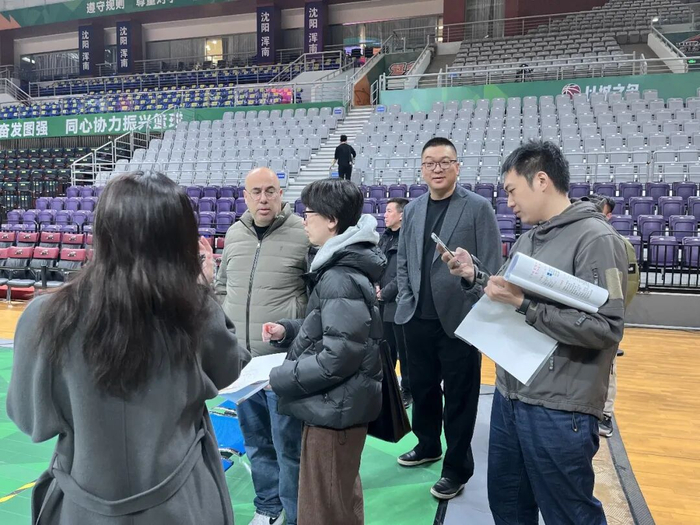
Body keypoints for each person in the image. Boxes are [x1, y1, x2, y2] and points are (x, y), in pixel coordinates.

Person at [7, 172, 250, 525]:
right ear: (181, 238)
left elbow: (31, 419)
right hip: (182, 503)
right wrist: (201, 288)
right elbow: (228, 369)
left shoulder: (45, 315)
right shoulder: (197, 311)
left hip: (82, 506)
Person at [442, 141, 628, 524]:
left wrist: (525, 305)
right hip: (511, 395)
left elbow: (607, 328)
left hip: (560, 407)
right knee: (507, 505)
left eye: (512, 191)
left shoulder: (596, 239)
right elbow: (508, 297)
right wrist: (476, 276)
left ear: (541, 180)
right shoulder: (529, 238)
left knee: (568, 514)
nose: (509, 202)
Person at [264, 178, 385, 525]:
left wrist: (280, 377)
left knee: (324, 510)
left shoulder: (339, 275)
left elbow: (338, 357)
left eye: (309, 213)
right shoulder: (342, 268)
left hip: (334, 411)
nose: (304, 221)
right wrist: (289, 330)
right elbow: (335, 328)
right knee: (341, 502)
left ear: (331, 220)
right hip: (339, 407)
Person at [394, 137, 502, 500]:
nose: (437, 169)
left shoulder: (477, 208)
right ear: (422, 169)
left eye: (444, 162)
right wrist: (406, 299)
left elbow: (491, 263)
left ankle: (456, 468)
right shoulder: (413, 209)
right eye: (430, 163)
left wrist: (474, 295)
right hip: (416, 317)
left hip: (460, 320)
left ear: (457, 167)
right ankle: (428, 444)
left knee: (460, 398)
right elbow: (404, 260)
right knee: (422, 390)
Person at [215, 167, 309, 525]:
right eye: (256, 192)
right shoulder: (234, 234)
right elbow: (222, 287)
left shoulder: (302, 234)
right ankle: (268, 507)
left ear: (281, 194)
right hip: (243, 364)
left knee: (289, 447)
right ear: (245, 196)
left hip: (282, 365)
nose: (264, 198)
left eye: (270, 191)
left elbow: (315, 298)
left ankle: (296, 514)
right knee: (255, 442)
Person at [585, 194, 639, 438]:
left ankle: (605, 415)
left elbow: (630, 283)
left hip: (605, 317)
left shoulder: (619, 243)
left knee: (608, 367)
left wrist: (613, 312)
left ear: (609, 216)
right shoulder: (582, 240)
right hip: (583, 318)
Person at [378, 197, 412, 407]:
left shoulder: (408, 239)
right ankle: (388, 388)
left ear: (401, 215)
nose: (384, 214)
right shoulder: (385, 238)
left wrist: (385, 292)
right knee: (386, 350)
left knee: (405, 353)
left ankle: (408, 389)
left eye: (389, 211)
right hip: (382, 304)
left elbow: (404, 273)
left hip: (399, 303)